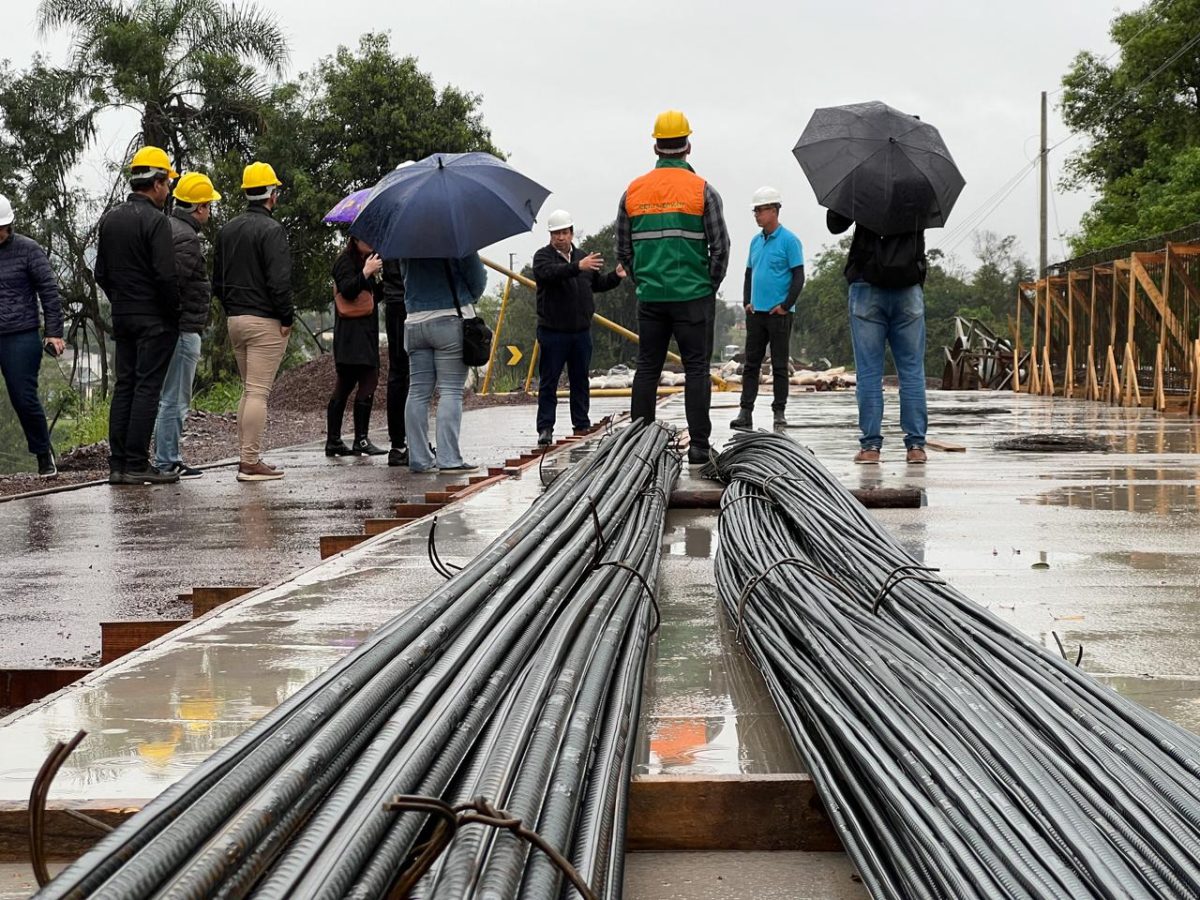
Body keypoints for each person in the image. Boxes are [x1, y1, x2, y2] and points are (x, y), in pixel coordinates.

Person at [617, 109, 729, 465]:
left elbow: (624, 249)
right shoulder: (702, 190)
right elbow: (720, 247)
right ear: (687, 146)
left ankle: (638, 448)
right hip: (693, 296)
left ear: (656, 146)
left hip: (651, 297)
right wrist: (707, 285)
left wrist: (645, 281)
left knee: (647, 368)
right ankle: (698, 447)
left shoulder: (633, 191)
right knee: (697, 368)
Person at [95, 146, 181, 485]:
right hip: (154, 319)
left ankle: (118, 464)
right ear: (157, 183)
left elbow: (101, 272)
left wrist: (121, 299)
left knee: (125, 385)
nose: (169, 189)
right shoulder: (157, 221)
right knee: (148, 387)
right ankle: (136, 463)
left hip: (123, 316)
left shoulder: (111, 218)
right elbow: (165, 275)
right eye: (167, 183)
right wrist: (172, 313)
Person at [827, 209, 928, 464]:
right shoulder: (919, 184)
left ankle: (871, 447)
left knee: (870, 372)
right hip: (908, 286)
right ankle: (916, 446)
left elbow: (835, 225)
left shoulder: (862, 182)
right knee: (912, 370)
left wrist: (848, 201)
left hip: (867, 285)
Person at [213, 161, 293, 482]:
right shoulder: (272, 231)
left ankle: (248, 455)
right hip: (265, 320)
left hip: (236, 319)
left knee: (249, 390)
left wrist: (233, 307)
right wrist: (286, 316)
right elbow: (279, 280)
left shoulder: (227, 230)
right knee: (259, 392)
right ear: (272, 194)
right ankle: (249, 460)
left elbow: (217, 281)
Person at [531, 209, 626, 446]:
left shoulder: (583, 258)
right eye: (556, 233)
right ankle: (545, 428)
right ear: (550, 236)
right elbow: (550, 275)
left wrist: (615, 276)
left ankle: (581, 423)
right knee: (549, 382)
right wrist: (577, 266)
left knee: (580, 380)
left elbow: (597, 284)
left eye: (564, 232)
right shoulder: (543, 257)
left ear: (572, 233)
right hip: (553, 331)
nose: (561, 237)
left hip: (580, 332)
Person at [152, 172, 221, 480]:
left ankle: (166, 457)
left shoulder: (167, 228)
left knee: (168, 397)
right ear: (200, 207)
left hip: (172, 328)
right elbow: (173, 284)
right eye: (208, 206)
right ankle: (167, 459)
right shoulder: (187, 239)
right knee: (175, 400)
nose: (209, 212)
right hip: (182, 330)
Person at [402, 254, 487, 474]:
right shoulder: (453, 232)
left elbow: (404, 278)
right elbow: (477, 279)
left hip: (413, 323)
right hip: (448, 319)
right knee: (450, 390)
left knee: (418, 392)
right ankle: (448, 459)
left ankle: (419, 459)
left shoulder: (405, 238)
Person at [0, 194, 64, 478]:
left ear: (8, 225)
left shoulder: (28, 250)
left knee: (23, 397)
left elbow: (49, 291)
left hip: (20, 334)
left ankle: (43, 454)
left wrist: (54, 333)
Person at [730, 186, 804, 432]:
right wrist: (746, 302)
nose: (757, 215)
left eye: (760, 210)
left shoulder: (789, 241)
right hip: (756, 313)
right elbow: (749, 273)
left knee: (780, 364)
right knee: (751, 363)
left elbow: (798, 276)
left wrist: (785, 305)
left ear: (774, 210)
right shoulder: (755, 242)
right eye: (755, 211)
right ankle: (745, 411)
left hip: (779, 314)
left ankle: (779, 412)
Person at [326, 236, 386, 457]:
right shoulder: (345, 262)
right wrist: (366, 273)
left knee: (349, 383)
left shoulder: (366, 260)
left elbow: (368, 299)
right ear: (355, 239)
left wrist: (382, 282)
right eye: (365, 237)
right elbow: (348, 291)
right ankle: (355, 439)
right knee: (364, 380)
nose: (371, 241)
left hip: (364, 334)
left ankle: (337, 441)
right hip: (352, 337)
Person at [382, 258, 409, 466]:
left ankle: (399, 443)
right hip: (407, 301)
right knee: (409, 376)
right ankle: (402, 443)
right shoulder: (411, 233)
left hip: (393, 303)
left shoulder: (386, 233)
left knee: (398, 373)